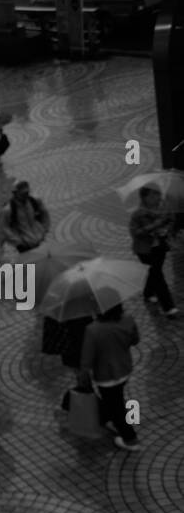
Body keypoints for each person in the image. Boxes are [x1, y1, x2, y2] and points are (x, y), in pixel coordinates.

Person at [79, 304, 141, 449]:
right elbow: (135, 340)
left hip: (105, 376)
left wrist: (83, 378)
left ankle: (130, 439)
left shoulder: (92, 329)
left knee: (115, 406)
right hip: (124, 369)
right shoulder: (128, 320)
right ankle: (117, 420)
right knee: (117, 398)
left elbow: (87, 360)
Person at [129, 184, 178, 315]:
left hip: (160, 247)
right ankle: (169, 307)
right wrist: (155, 227)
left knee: (154, 272)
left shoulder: (164, 209)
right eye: (153, 195)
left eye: (158, 194)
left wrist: (167, 229)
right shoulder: (138, 214)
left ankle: (148, 292)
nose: (157, 197)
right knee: (158, 276)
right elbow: (135, 232)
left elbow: (172, 221)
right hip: (145, 250)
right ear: (144, 197)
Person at [3, 181, 51, 253]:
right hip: (24, 245)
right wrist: (18, 241)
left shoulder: (34, 201)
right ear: (15, 193)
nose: (26, 195)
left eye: (27, 193)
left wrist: (44, 229)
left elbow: (45, 214)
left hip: (40, 239)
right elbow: (5, 227)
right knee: (31, 262)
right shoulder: (8, 210)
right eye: (23, 194)